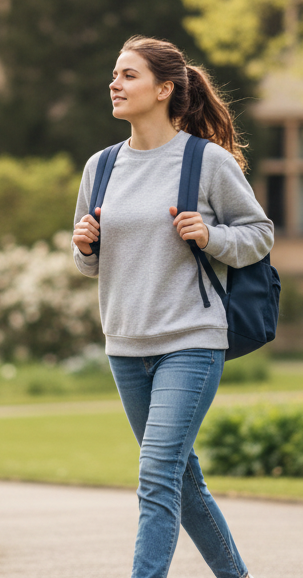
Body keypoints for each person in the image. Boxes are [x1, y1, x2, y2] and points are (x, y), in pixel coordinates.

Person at [71, 35, 273, 578]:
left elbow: (259, 233)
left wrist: (210, 236)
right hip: (125, 345)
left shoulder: (204, 161)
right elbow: (89, 263)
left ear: (164, 89)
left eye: (128, 75)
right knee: (180, 481)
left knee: (157, 475)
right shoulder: (102, 166)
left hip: (191, 341)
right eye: (114, 74)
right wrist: (85, 245)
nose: (114, 84)